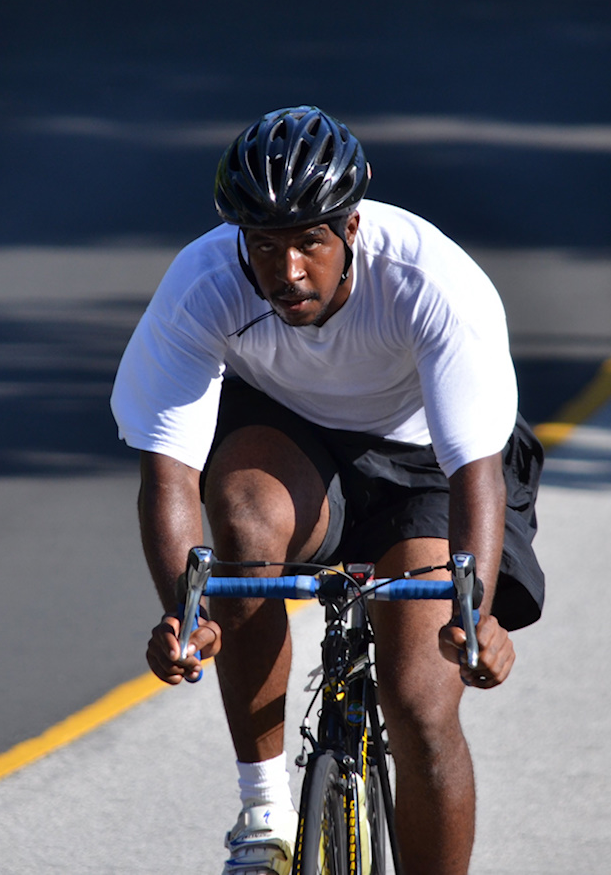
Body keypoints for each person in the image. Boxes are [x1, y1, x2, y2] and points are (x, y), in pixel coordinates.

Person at [111, 106, 545, 875]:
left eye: (308, 242)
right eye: (265, 246)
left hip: (428, 473)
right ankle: (265, 812)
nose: (287, 273)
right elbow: (169, 471)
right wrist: (182, 615)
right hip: (294, 447)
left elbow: (474, 470)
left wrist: (471, 619)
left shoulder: (430, 282)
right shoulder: (204, 284)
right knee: (243, 526)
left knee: (419, 703)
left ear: (350, 227)